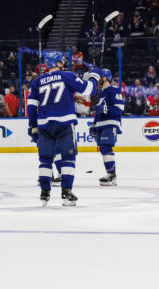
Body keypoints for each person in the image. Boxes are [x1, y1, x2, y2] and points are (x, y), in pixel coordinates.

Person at [27, 51, 99, 206]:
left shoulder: (37, 81)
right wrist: (93, 77)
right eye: (62, 61)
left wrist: (33, 125)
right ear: (58, 63)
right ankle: (66, 192)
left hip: (44, 123)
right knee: (68, 158)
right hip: (65, 122)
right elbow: (89, 90)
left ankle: (44, 193)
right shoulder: (68, 76)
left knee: (45, 159)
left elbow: (31, 106)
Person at [90, 69, 124, 186]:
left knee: (106, 147)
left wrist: (107, 109)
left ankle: (112, 175)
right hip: (101, 123)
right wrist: (94, 124)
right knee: (103, 149)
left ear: (105, 77)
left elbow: (119, 108)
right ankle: (110, 173)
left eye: (98, 77)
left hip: (110, 122)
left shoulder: (114, 89)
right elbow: (99, 111)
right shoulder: (100, 93)